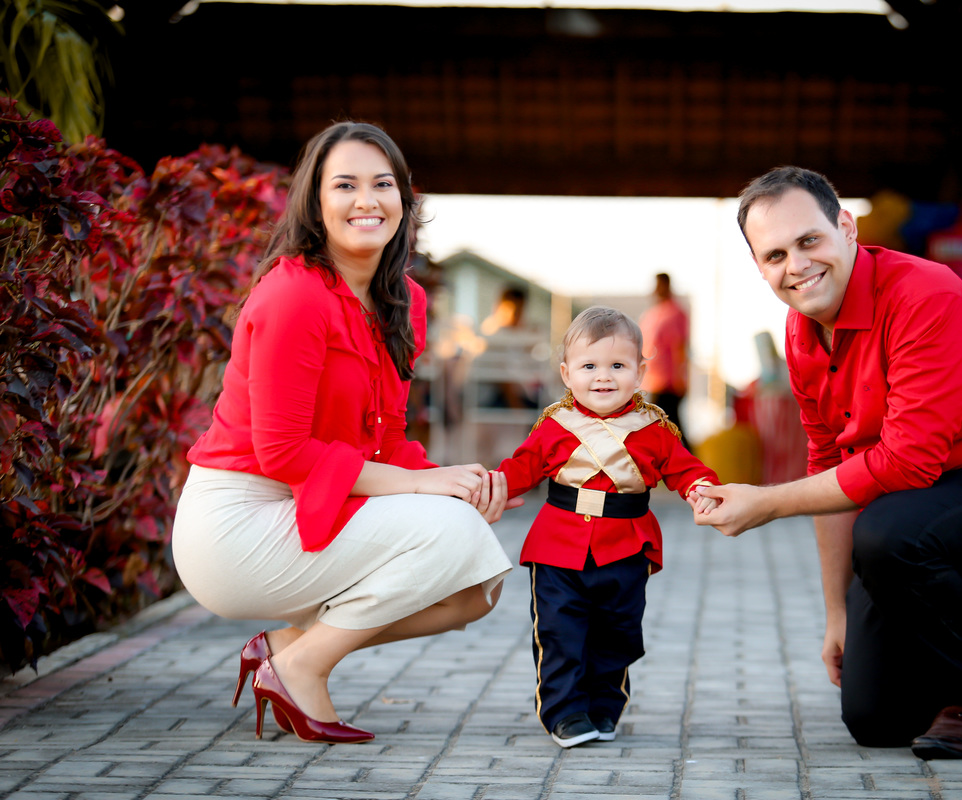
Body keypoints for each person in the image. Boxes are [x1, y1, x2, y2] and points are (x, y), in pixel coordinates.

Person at [693, 167, 962, 760]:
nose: (796, 265)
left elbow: (905, 464)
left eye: (809, 241)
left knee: (886, 534)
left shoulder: (925, 294)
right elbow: (828, 461)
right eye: (774, 255)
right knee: (877, 718)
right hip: (924, 519)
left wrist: (768, 502)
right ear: (761, 268)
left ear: (845, 228)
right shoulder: (801, 332)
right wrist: (836, 613)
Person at [171, 121, 515, 745]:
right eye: (346, 185)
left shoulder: (401, 299)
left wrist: (460, 487)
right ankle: (301, 666)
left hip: (312, 501)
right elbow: (281, 453)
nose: (367, 201)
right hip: (237, 521)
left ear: (405, 201)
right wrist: (427, 487)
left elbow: (386, 439)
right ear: (316, 201)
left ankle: (286, 649)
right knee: (455, 537)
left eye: (383, 184)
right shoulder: (293, 297)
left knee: (474, 587)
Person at [494, 306, 720, 748]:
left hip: (626, 546)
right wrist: (490, 489)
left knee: (617, 633)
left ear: (639, 371)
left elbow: (684, 468)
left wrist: (700, 489)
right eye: (589, 366)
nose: (603, 377)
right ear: (566, 373)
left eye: (618, 366)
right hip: (558, 546)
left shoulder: (653, 428)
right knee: (560, 632)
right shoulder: (554, 425)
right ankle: (565, 712)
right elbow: (521, 468)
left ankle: (604, 705)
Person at [638, 273, 691, 448]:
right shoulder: (652, 314)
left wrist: (681, 379)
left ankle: (691, 463)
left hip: (668, 382)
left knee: (671, 427)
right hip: (652, 381)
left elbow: (679, 347)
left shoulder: (675, 313)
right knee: (661, 428)